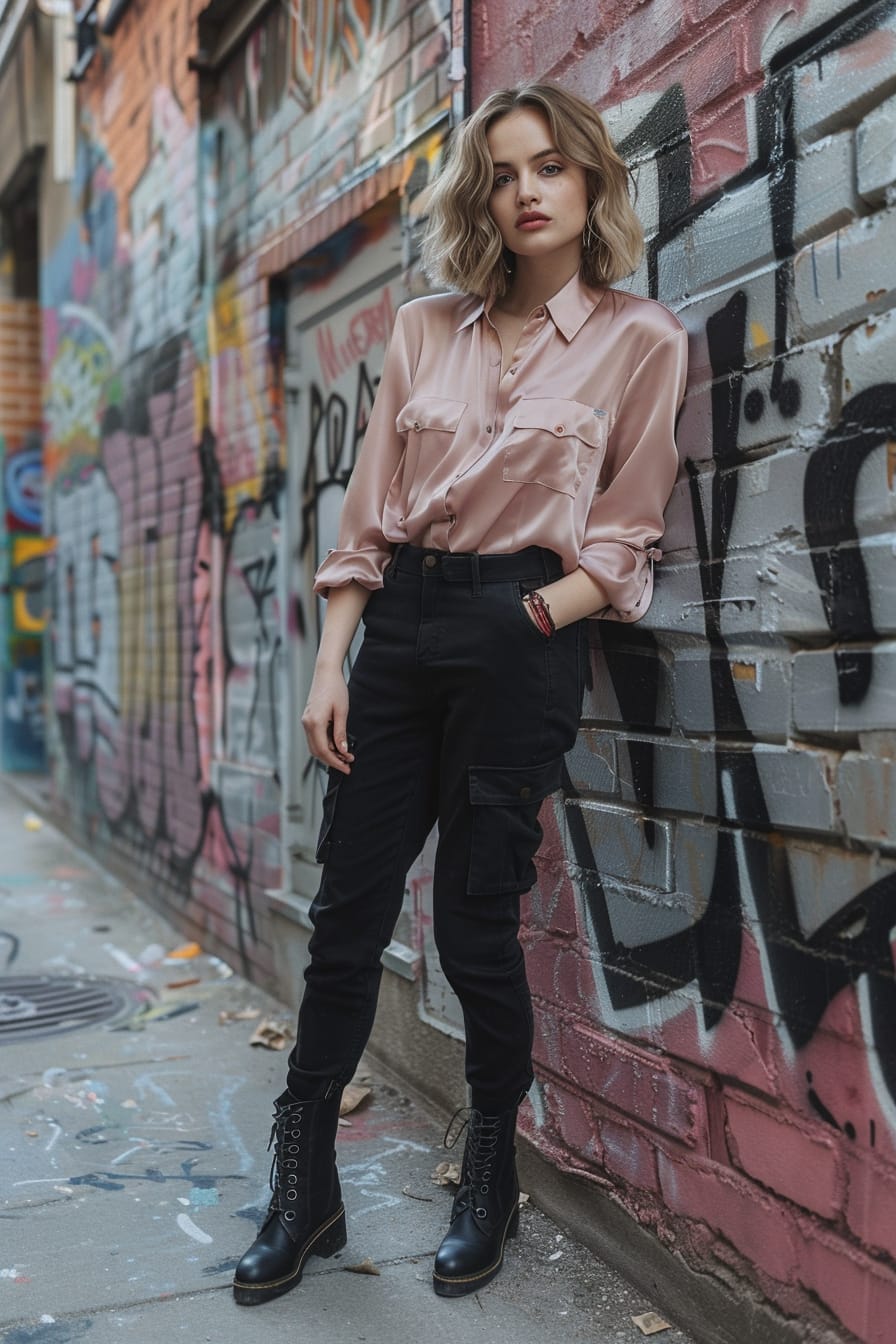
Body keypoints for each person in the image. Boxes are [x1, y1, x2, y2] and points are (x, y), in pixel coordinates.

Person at [233, 80, 687, 1307]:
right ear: (479, 194)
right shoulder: (425, 328)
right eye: (502, 171)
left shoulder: (638, 339)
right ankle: (303, 1182)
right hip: (399, 631)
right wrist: (331, 660)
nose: (526, 191)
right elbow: (366, 516)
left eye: (549, 166)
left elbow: (627, 533)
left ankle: (490, 1168)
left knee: (477, 923)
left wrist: (533, 614)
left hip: (522, 630)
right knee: (347, 918)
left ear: (589, 181)